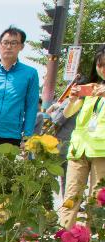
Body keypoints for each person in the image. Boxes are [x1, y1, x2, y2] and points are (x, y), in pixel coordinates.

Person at [58, 46, 105, 228]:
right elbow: (68, 113)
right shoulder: (90, 88)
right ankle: (63, 237)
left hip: (101, 151)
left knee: (97, 197)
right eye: (100, 65)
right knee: (71, 195)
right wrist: (72, 99)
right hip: (79, 149)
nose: (102, 69)